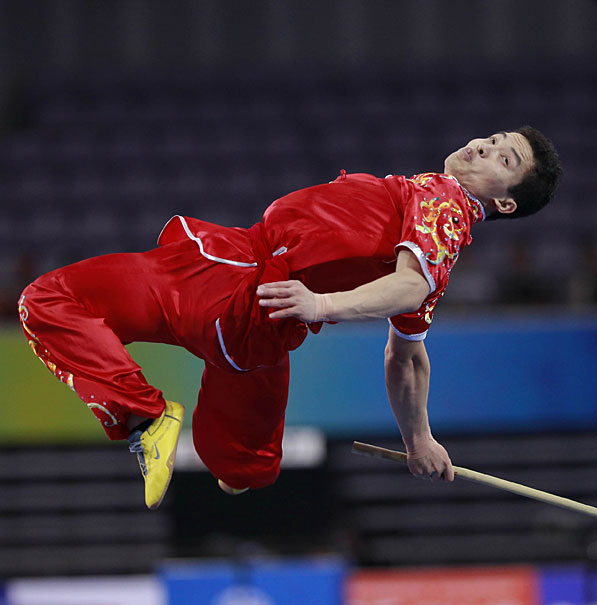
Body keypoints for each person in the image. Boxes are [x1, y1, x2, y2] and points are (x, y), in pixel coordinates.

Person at [17, 127, 563, 509]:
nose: (485, 147)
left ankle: (144, 417)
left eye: (504, 160)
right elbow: (406, 356)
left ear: (505, 203)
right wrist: (418, 440)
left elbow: (409, 287)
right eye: (495, 139)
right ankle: (232, 460)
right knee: (240, 469)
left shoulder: (446, 205)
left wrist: (320, 304)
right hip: (254, 321)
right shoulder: (428, 225)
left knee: (47, 301)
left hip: (231, 286)